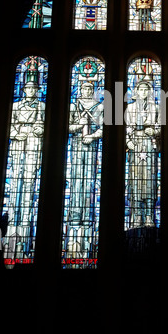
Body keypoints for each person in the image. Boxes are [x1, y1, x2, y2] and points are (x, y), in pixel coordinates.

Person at [3, 80, 45, 261]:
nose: (30, 91)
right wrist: (17, 132)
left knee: (29, 185)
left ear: (37, 91)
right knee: (15, 185)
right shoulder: (15, 105)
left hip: (34, 147)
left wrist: (37, 129)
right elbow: (9, 126)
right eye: (28, 88)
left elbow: (44, 125)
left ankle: (26, 228)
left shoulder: (42, 105)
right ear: (24, 90)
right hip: (18, 147)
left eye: (33, 89)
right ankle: (11, 226)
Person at [66, 82, 103, 257]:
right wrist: (79, 126)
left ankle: (88, 217)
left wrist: (93, 136)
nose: (87, 91)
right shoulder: (73, 106)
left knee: (89, 181)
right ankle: (74, 217)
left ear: (93, 90)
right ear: (80, 90)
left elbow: (104, 128)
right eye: (84, 88)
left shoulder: (100, 106)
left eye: (90, 89)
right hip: (76, 145)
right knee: (76, 181)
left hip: (92, 146)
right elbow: (67, 127)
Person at [125, 78, 160, 228]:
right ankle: (137, 215)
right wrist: (128, 142)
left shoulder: (156, 108)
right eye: (141, 89)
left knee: (150, 181)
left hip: (149, 145)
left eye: (146, 90)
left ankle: (149, 216)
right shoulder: (130, 108)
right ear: (136, 91)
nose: (144, 92)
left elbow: (160, 127)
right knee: (135, 180)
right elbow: (125, 128)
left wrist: (155, 131)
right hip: (135, 145)